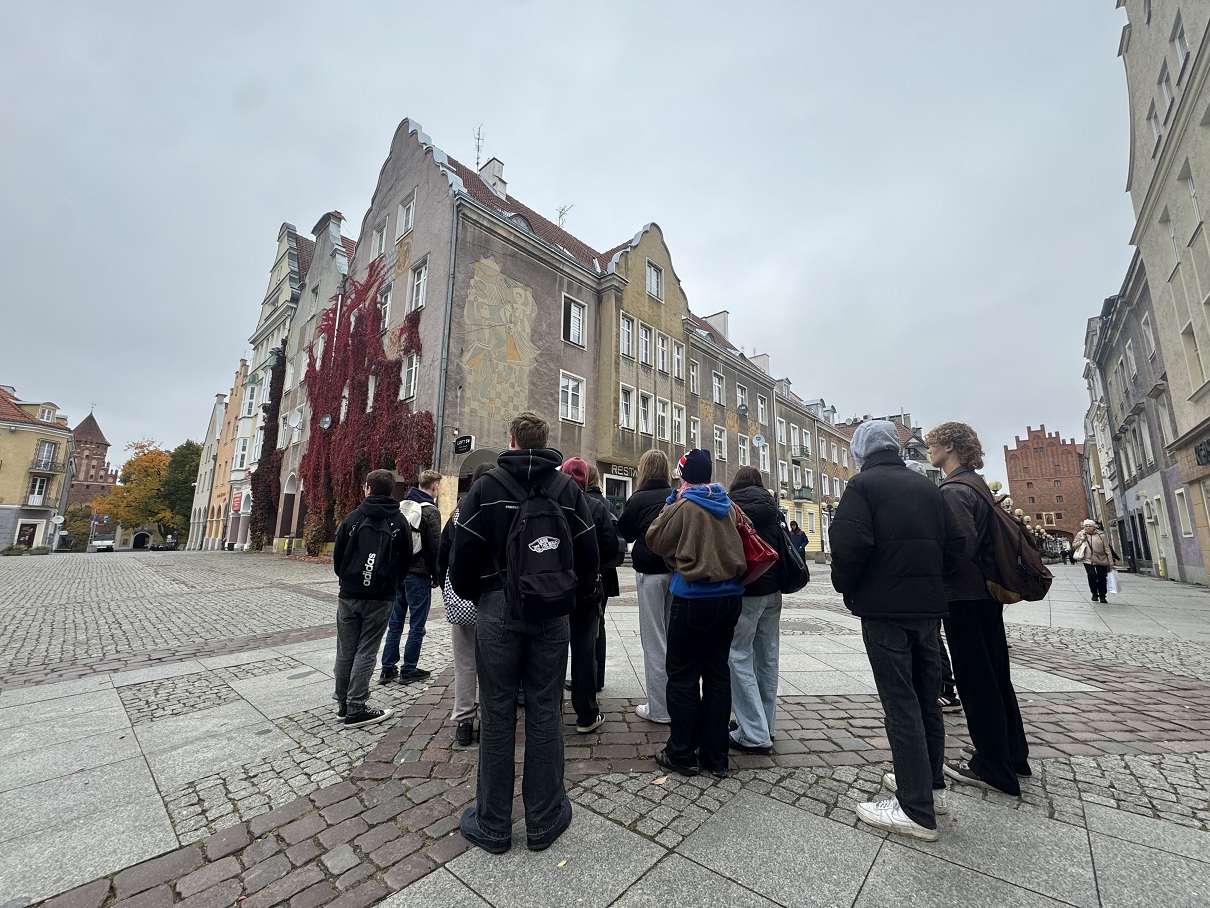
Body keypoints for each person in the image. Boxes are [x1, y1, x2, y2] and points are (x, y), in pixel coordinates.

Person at [449, 412, 599, 854]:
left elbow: (461, 557)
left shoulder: (487, 487)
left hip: (497, 606)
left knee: (496, 711)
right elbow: (590, 552)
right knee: (546, 706)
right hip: (552, 610)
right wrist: (568, 593)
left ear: (511, 440)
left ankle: (493, 823)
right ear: (545, 441)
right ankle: (545, 818)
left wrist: (481, 593)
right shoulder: (567, 489)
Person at [830, 421, 964, 841]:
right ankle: (931, 786)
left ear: (860, 451)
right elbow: (957, 544)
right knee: (926, 699)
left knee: (900, 702)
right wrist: (933, 579)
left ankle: (914, 808)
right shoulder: (927, 486)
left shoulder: (862, 486)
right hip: (927, 610)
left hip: (884, 609)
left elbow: (849, 545)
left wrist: (849, 588)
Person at [926, 421, 1031, 796]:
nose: (928, 450)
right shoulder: (976, 484)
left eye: (933, 444)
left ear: (950, 447)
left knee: (976, 679)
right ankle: (1013, 754)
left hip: (964, 596)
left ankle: (992, 765)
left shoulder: (954, 490)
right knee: (996, 674)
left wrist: (935, 574)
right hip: (984, 595)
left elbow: (959, 546)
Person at [645, 449, 746, 779]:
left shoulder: (685, 505)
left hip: (693, 597)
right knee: (717, 674)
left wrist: (671, 501)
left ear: (683, 475)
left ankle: (682, 753)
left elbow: (655, 538)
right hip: (729, 597)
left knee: (683, 676)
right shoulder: (728, 504)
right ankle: (716, 757)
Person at [331, 469, 412, 729]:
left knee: (345, 650)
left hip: (350, 593)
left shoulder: (353, 517)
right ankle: (357, 707)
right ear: (391, 490)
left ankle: (344, 704)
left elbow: (338, 557)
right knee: (366, 650)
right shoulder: (399, 521)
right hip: (381, 595)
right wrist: (392, 583)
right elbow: (406, 559)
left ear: (368, 488)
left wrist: (347, 579)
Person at [436, 461, 495, 747]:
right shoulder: (496, 510)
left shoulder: (458, 513)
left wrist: (448, 589)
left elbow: (443, 554)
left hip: (462, 597)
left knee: (464, 662)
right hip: (490, 597)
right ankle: (487, 718)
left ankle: (463, 720)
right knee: (491, 662)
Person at [727, 466, 784, 755]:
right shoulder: (773, 508)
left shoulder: (732, 507)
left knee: (737, 655)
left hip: (747, 590)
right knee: (767, 657)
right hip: (773, 592)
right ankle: (766, 724)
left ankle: (752, 731)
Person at [560, 456, 617, 734]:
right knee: (584, 651)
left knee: (552, 650)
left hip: (555, 589)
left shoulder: (553, 502)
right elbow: (610, 546)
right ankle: (586, 714)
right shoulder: (595, 506)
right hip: (587, 588)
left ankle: (549, 712)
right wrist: (595, 566)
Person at [618, 450, 675, 724]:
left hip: (650, 572)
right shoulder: (676, 496)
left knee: (654, 641)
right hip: (676, 572)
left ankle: (659, 709)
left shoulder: (638, 498)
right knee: (672, 638)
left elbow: (626, 532)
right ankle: (675, 704)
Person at [380, 470, 442, 684]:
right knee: (417, 624)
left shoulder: (402, 506)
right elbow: (435, 547)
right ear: (434, 486)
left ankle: (387, 669)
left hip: (398, 573)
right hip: (418, 574)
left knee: (395, 622)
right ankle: (409, 669)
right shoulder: (430, 511)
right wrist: (437, 576)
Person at [586, 465, 621, 692]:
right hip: (606, 573)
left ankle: (585, 677)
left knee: (583, 627)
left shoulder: (581, 501)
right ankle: (598, 678)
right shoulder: (606, 503)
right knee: (600, 623)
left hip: (587, 573)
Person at [1073, 519, 1116, 603]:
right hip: (1087, 559)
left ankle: (1102, 595)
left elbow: (1107, 549)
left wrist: (1110, 562)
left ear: (1094, 527)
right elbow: (1074, 545)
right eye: (1086, 526)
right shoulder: (1081, 534)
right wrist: (1081, 540)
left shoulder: (1101, 535)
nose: (1088, 528)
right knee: (1091, 575)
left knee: (1102, 577)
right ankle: (1094, 593)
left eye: (1090, 526)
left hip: (1101, 558)